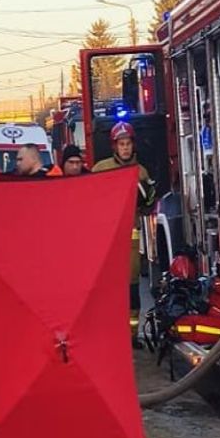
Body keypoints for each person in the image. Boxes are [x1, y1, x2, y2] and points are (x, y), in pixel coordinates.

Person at [92, 122, 157, 344]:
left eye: (128, 143)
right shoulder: (101, 169)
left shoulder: (141, 172)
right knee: (108, 289)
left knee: (132, 287)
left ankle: (131, 335)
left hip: (130, 238)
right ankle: (109, 333)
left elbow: (148, 206)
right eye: (121, 144)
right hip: (106, 239)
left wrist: (148, 196)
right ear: (114, 146)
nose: (126, 148)